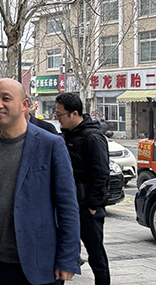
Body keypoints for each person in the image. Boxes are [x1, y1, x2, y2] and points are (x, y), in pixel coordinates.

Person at [0, 78, 80, 285]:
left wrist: (68, 259)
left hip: (41, 263)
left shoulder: (51, 144)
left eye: (6, 98)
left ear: (25, 105)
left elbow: (68, 206)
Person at [55, 93, 110, 285]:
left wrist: (93, 205)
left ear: (74, 113)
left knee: (96, 255)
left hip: (86, 208)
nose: (58, 119)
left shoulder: (92, 137)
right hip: (68, 206)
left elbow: (101, 173)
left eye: (60, 114)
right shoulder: (64, 136)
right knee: (62, 252)